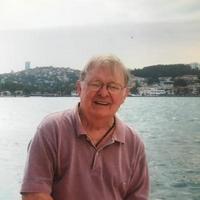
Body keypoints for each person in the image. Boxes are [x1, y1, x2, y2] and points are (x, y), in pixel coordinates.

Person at [20, 55, 149, 200]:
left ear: (125, 94)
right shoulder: (52, 130)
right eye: (95, 84)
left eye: (113, 87)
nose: (103, 93)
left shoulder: (134, 143)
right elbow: (34, 194)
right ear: (79, 88)